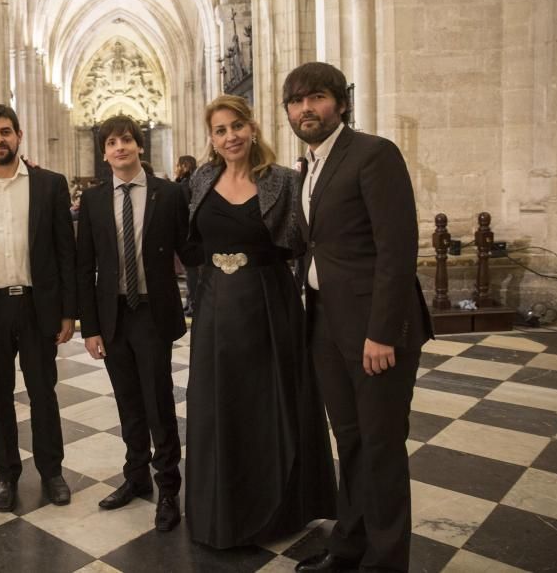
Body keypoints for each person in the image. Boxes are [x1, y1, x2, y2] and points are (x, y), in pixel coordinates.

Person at [285, 62, 432, 573]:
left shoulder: (373, 154)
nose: (307, 109)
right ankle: (349, 547)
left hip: (375, 330)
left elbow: (397, 250)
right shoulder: (308, 166)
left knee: (382, 447)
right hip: (326, 325)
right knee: (350, 442)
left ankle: (387, 562)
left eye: (317, 98)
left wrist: (382, 332)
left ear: (340, 103)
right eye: (297, 101)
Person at [186, 95, 336, 549]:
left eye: (236, 126)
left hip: (270, 305)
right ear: (211, 139)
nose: (230, 136)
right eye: (220, 130)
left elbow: (305, 245)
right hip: (215, 308)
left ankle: (279, 510)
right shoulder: (201, 179)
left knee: (270, 404)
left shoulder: (286, 181)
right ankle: (221, 511)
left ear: (252, 128)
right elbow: (192, 246)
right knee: (219, 406)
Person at [0, 104, 75, 512]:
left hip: (38, 306)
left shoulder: (49, 184)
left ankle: (52, 472)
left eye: (5, 131)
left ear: (19, 135)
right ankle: (6, 475)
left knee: (43, 393)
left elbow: (64, 252)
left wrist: (68, 312)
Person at [76, 115, 195, 532]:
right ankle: (136, 476)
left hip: (151, 311)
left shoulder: (169, 193)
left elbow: (189, 249)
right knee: (127, 400)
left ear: (139, 146)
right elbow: (84, 267)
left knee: (158, 401)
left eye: (126, 140)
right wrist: (89, 327)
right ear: (105, 152)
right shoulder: (92, 201)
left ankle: (168, 488)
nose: (119, 148)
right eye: (111, 142)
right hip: (113, 315)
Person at [174, 155, 198, 316]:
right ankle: (190, 302)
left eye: (178, 165)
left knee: (193, 274)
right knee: (191, 274)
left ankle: (193, 303)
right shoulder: (190, 182)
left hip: (190, 236)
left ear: (184, 166)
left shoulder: (185, 185)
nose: (176, 168)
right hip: (191, 235)